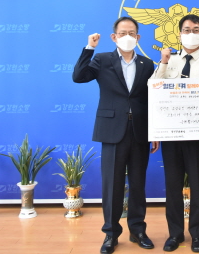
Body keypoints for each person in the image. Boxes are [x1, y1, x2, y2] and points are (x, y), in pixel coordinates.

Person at [72, 16, 159, 254]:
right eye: (122, 33)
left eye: (132, 33)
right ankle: (111, 233)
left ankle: (138, 230)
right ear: (114, 37)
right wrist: (89, 47)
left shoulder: (147, 64)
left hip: (140, 131)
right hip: (112, 130)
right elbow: (78, 76)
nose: (127, 37)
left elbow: (151, 99)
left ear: (138, 37)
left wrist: (155, 131)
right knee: (112, 184)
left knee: (138, 184)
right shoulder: (102, 59)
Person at [149, 14, 199, 253]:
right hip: (172, 135)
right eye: (187, 29)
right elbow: (154, 91)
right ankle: (175, 234)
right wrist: (163, 62)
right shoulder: (167, 60)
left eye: (196, 29)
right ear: (179, 34)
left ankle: (197, 235)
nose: (191, 33)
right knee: (172, 186)